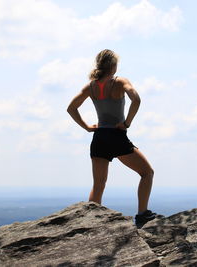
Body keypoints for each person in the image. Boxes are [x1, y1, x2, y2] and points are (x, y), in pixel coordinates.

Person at [67, 49, 157, 228]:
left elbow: (71, 108)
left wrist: (86, 127)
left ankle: (89, 222)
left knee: (98, 184)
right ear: (113, 66)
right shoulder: (120, 82)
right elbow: (136, 99)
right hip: (117, 136)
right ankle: (142, 215)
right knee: (147, 173)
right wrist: (127, 122)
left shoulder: (90, 86)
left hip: (99, 137)